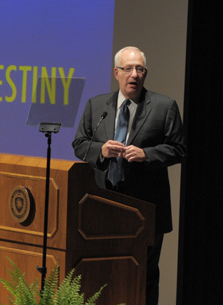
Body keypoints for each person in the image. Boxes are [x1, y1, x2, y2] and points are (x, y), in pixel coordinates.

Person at [72, 46, 185, 305]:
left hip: (146, 208)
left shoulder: (163, 106)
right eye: (128, 69)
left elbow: (179, 149)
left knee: (143, 275)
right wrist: (100, 149)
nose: (134, 74)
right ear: (116, 73)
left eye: (140, 69)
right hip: (102, 205)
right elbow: (79, 143)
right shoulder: (96, 105)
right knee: (102, 273)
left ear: (145, 73)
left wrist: (146, 154)